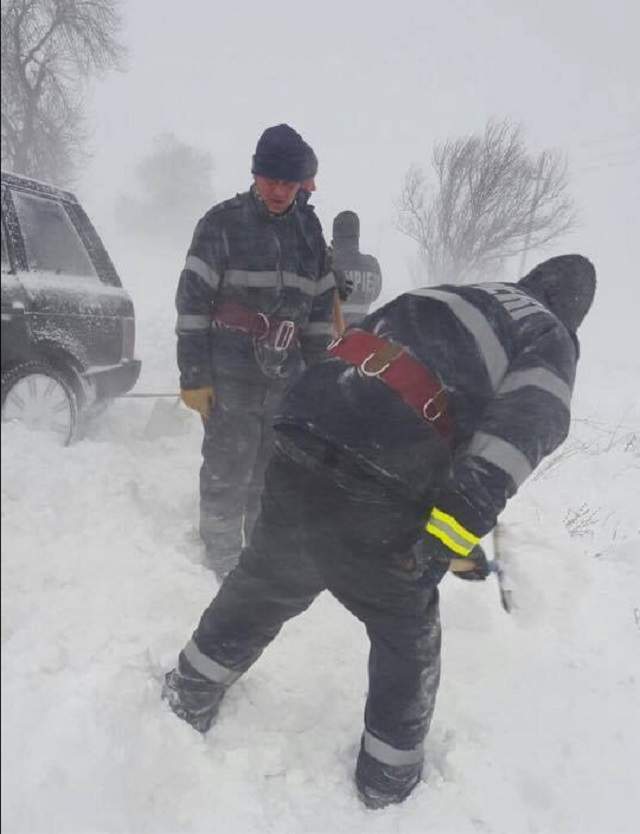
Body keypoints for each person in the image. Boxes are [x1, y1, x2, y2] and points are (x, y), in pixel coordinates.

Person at [163, 255, 596, 808]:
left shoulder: (456, 294)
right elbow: (514, 442)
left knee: (266, 580)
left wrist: (447, 518)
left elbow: (370, 360)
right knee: (405, 628)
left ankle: (188, 692)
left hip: (303, 431)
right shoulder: (549, 335)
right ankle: (385, 785)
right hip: (381, 472)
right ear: (573, 313)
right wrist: (443, 540)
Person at [175, 124, 335, 578]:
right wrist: (194, 375)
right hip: (229, 375)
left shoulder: (310, 233)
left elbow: (320, 311)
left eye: (288, 182)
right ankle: (220, 562)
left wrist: (318, 380)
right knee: (228, 467)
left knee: (270, 475)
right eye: (270, 180)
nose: (279, 191)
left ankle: (257, 559)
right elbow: (191, 304)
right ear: (255, 174)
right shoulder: (221, 224)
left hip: (285, 379)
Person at [331, 210, 382, 326]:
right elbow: (375, 295)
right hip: (360, 334)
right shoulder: (372, 265)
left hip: (331, 336)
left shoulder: (329, 264)